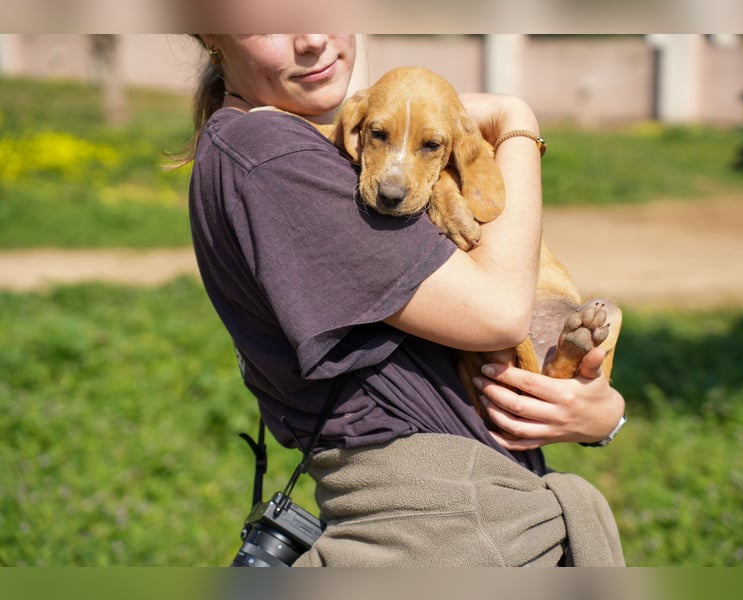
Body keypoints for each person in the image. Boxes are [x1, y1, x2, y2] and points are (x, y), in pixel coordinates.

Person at [185, 34, 626, 566]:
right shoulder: (270, 153)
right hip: (438, 525)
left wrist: (603, 419)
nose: (313, 38)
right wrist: (517, 122)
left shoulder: (279, 146)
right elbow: (502, 315)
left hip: (476, 509)